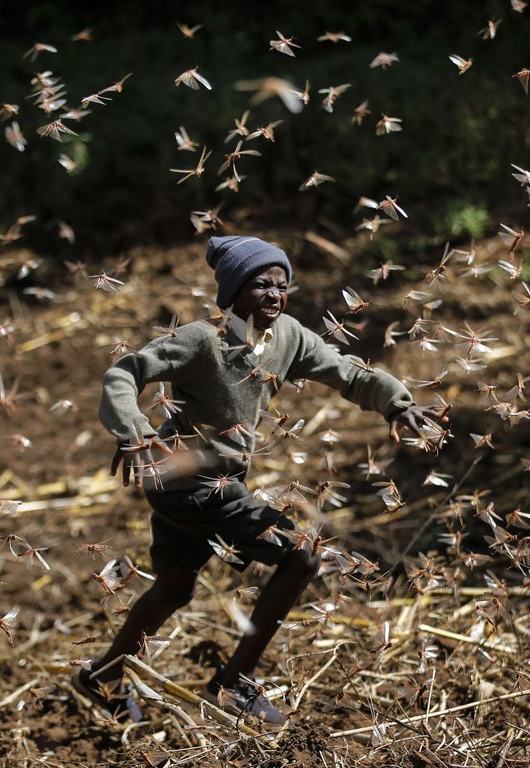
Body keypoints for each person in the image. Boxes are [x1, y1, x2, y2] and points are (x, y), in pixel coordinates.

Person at [72, 235, 445, 725]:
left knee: (175, 589)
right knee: (302, 553)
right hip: (187, 479)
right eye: (259, 285)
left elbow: (349, 373)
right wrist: (134, 431)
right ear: (232, 292)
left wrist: (399, 403)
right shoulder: (202, 340)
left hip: (205, 482)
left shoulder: (287, 337)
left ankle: (103, 675)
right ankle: (233, 682)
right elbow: (126, 372)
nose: (273, 295)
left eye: (281, 286)